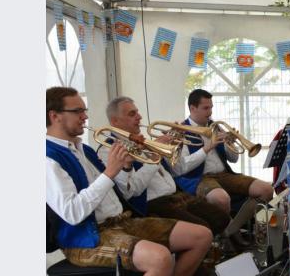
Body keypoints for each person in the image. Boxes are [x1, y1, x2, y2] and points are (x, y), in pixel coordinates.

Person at [46, 87, 212, 276]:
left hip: (121, 221)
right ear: (55, 116)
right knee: (159, 258)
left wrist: (124, 167)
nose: (85, 116)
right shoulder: (48, 158)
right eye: (78, 111)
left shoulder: (84, 150)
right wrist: (110, 172)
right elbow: (73, 213)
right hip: (87, 238)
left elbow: (125, 189)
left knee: (201, 236)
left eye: (84, 110)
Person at [98, 96, 230, 236]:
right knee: (202, 227)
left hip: (176, 195)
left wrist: (174, 146)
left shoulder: (146, 141)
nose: (139, 116)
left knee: (221, 218)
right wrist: (155, 156)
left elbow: (179, 169)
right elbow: (130, 191)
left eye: (137, 112)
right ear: (114, 121)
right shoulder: (108, 150)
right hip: (153, 204)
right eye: (132, 114)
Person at [173, 89, 274, 215]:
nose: (210, 112)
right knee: (221, 199)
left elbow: (233, 159)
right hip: (199, 178)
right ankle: (227, 233)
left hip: (224, 174)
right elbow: (183, 166)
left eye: (211, 107)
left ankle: (242, 224)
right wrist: (207, 147)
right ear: (193, 108)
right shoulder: (181, 130)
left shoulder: (216, 127)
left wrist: (229, 142)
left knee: (266, 189)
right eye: (205, 108)